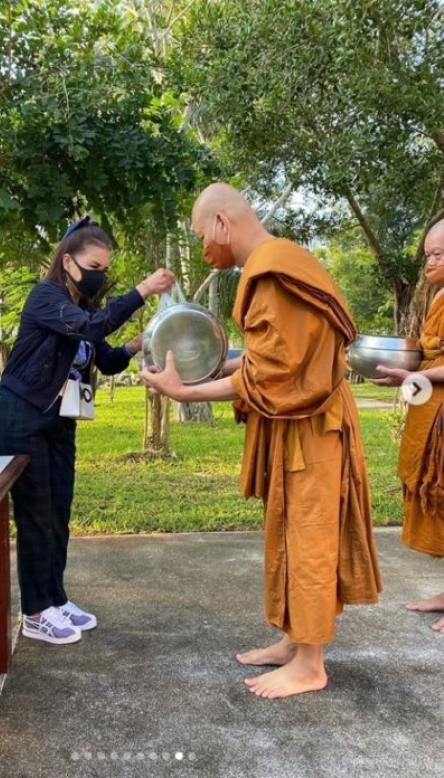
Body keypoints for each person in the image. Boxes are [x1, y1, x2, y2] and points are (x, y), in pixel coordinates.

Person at [141, 183, 382, 699]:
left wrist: (186, 394)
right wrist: (197, 371)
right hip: (297, 422)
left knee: (311, 533)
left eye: (202, 235)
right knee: (288, 527)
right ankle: (296, 642)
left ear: (223, 225)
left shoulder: (273, 268)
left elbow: (277, 371)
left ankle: (311, 663)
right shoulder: (277, 261)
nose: (204, 249)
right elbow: (266, 360)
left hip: (314, 426)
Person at [0, 216, 176, 646]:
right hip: (22, 415)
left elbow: (105, 357)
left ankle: (55, 598)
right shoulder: (46, 297)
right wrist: (144, 290)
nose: (100, 276)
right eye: (94, 266)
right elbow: (90, 329)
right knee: (36, 514)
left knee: (59, 512)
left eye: (105, 269)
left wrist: (137, 344)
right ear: (68, 262)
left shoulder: (83, 309)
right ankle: (35, 612)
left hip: (59, 420)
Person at [372, 219, 444, 634]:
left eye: (439, 254)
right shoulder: (437, 299)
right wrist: (399, 371)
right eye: (428, 254)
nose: (430, 262)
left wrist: (417, 378)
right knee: (438, 497)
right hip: (431, 412)